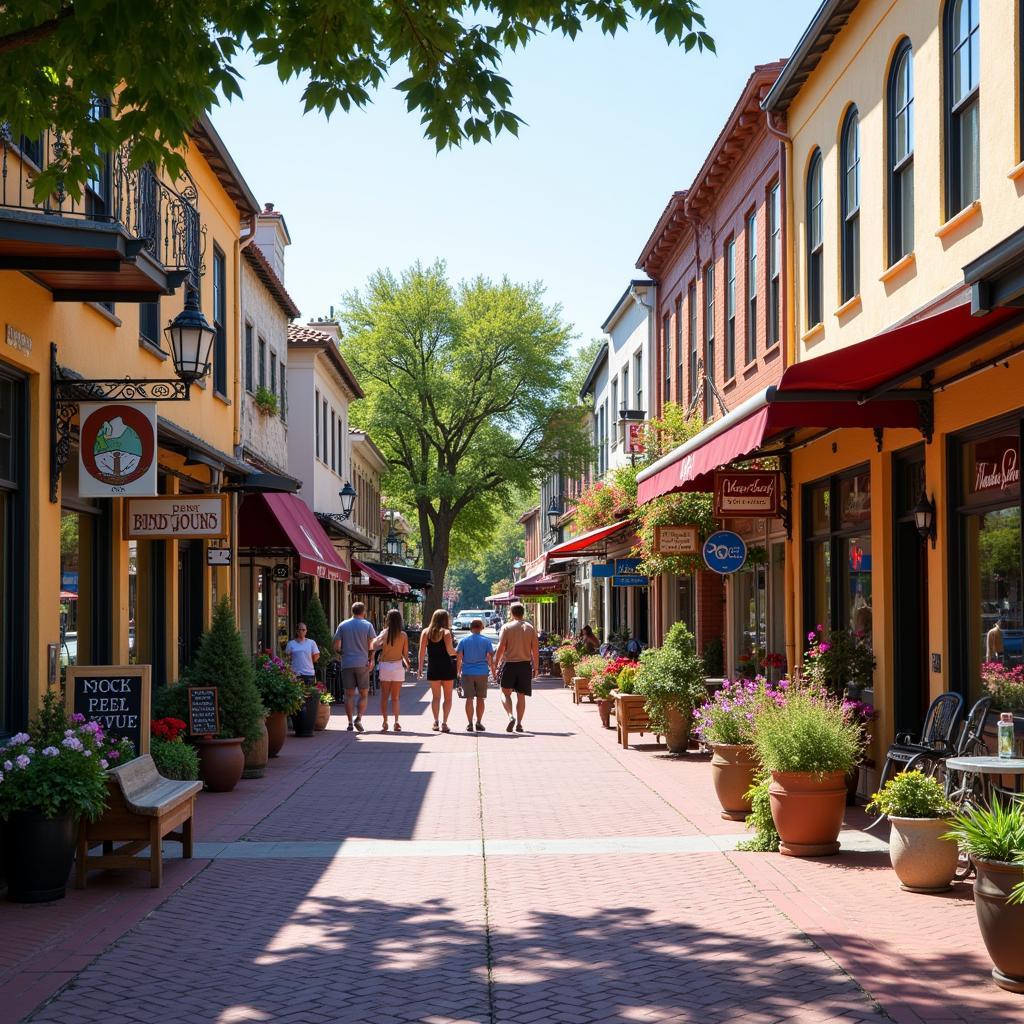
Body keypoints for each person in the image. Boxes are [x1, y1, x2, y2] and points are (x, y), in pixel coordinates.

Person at [494, 601, 538, 733]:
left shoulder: (507, 627)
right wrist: (536, 667)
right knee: (521, 695)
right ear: (523, 613)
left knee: (505, 692)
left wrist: (495, 664)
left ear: (512, 613)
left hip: (510, 664)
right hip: (524, 665)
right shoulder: (530, 628)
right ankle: (519, 723)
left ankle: (510, 715)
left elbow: (501, 647)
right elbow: (535, 650)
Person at [333, 601, 376, 732]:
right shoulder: (368, 625)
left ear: (352, 611)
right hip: (362, 663)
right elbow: (372, 644)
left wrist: (342, 653)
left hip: (347, 663)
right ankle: (359, 718)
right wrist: (371, 659)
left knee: (349, 694)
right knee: (363, 693)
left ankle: (350, 722)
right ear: (363, 612)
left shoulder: (343, 625)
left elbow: (336, 646)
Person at [418, 608, 457, 732]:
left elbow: (421, 651)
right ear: (445, 619)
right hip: (447, 667)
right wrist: (459, 655)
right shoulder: (446, 633)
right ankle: (445, 723)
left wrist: (420, 667)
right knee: (448, 697)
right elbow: (450, 651)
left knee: (435, 697)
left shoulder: (426, 632)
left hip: (433, 667)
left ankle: (435, 721)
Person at [372, 608, 409, 732]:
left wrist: (381, 645)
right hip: (398, 666)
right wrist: (408, 665)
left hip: (385, 666)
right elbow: (405, 655)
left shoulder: (384, 633)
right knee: (396, 697)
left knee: (384, 696)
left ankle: (385, 721)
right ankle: (397, 721)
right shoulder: (403, 635)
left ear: (388, 619)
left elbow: (373, 645)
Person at [456, 617, 495, 732]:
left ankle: (469, 723)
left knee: (469, 699)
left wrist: (458, 671)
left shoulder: (463, 641)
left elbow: (459, 658)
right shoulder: (486, 641)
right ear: (481, 628)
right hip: (482, 672)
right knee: (480, 699)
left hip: (467, 672)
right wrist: (493, 671)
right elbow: (490, 658)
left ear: (470, 628)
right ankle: (478, 722)